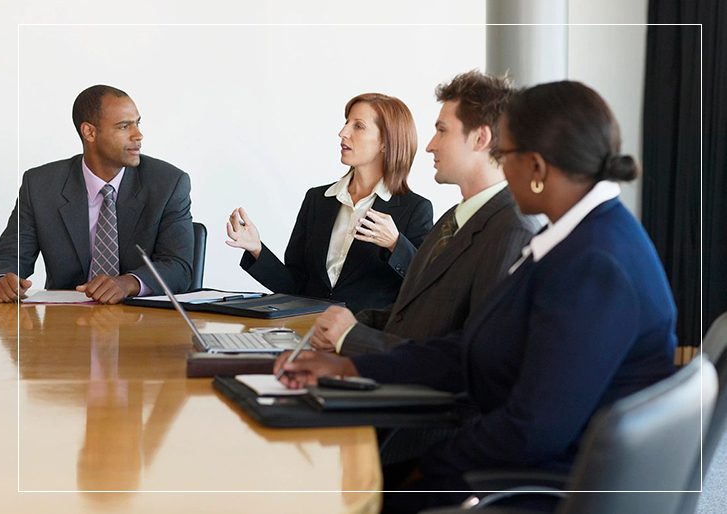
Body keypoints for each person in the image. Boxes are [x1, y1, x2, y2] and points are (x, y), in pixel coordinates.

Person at [275, 81, 678, 512]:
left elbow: (533, 427)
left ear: (537, 168)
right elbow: (473, 350)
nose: (500, 166)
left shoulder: (595, 264)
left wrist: (425, 469)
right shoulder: (578, 241)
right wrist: (353, 363)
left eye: (507, 155)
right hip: (521, 468)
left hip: (537, 487)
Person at [310, 71, 540, 356]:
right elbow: (415, 315)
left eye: (442, 130)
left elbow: (475, 356)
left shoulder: (512, 230)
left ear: (480, 138)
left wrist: (352, 339)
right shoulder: (452, 219)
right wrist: (347, 327)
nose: (430, 145)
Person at [225, 93, 433, 313]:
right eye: (346, 123)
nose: (343, 133)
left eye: (358, 126)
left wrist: (395, 244)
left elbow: (427, 286)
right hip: (306, 330)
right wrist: (257, 249)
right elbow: (295, 287)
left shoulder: (415, 209)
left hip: (363, 339)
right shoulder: (317, 200)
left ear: (385, 142)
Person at [0, 85, 194, 304]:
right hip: (64, 326)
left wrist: (128, 283)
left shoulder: (168, 183)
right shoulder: (40, 185)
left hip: (143, 321)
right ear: (89, 132)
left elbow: (179, 267)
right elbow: (10, 256)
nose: (138, 135)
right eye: (124, 126)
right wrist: (2, 280)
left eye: (137, 123)